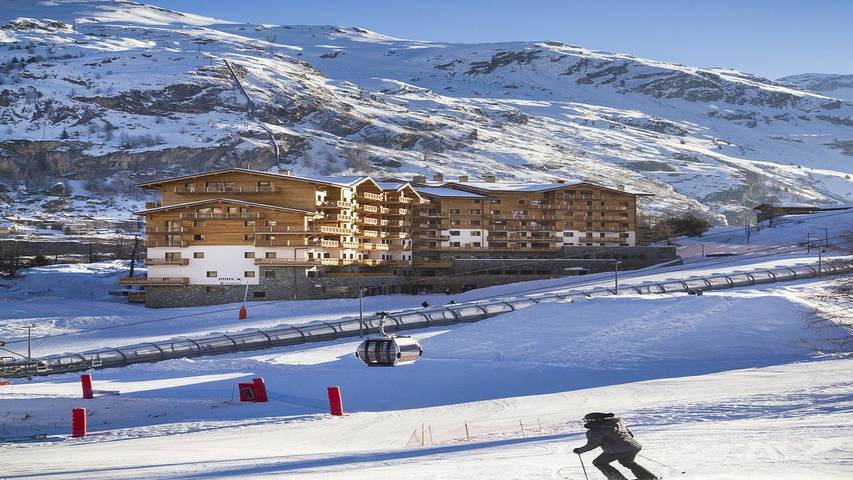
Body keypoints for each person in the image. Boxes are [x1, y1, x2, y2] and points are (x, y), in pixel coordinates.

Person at [573, 412, 657, 480]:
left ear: (593, 420)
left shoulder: (595, 430)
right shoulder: (618, 423)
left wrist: (579, 450)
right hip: (635, 446)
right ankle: (648, 477)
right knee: (626, 462)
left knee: (599, 462)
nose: (586, 422)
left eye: (587, 420)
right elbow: (630, 435)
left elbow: (593, 444)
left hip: (617, 450)